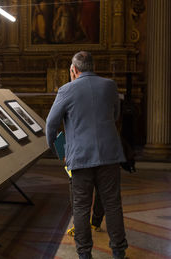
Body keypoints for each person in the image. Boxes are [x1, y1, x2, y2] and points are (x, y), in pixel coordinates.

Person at [46, 51, 128, 259]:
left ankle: (84, 254)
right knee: (112, 204)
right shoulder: (110, 85)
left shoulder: (66, 90)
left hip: (80, 158)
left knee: (81, 207)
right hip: (109, 155)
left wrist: (60, 152)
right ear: (93, 67)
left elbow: (51, 125)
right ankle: (118, 252)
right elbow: (116, 114)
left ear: (73, 70)